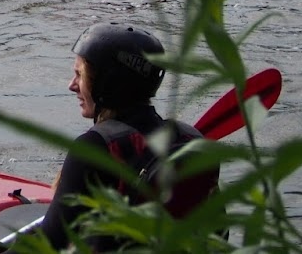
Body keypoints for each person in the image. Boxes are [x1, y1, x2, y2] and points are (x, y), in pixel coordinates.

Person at [31, 24, 220, 251]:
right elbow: (219, 232)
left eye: (79, 75)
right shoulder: (190, 140)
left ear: (106, 84)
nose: (72, 85)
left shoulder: (95, 147)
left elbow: (47, 244)